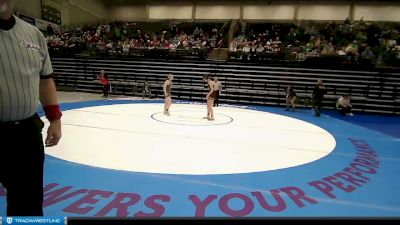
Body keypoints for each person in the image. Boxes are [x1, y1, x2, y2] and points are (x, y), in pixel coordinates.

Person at [0, 0, 62, 216]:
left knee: (28, 205)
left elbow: (45, 80)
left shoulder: (34, 35)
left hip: (25, 134)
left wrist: (55, 119)